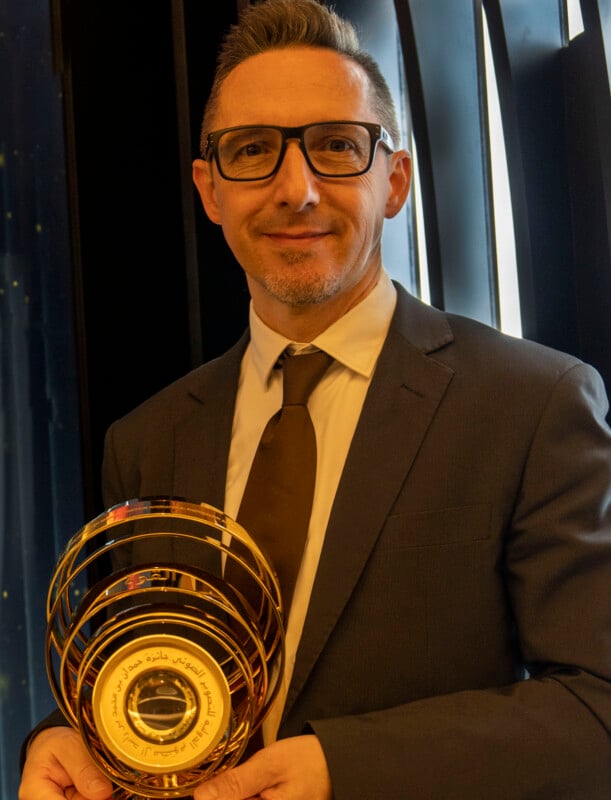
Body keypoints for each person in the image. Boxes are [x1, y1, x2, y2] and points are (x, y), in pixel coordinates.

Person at [18, 0, 611, 798]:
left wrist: (344, 768)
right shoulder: (148, 438)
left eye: (335, 146)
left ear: (393, 180)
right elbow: (143, 679)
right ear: (209, 190)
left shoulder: (534, 406)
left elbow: (598, 708)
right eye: (252, 151)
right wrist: (63, 737)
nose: (294, 190)